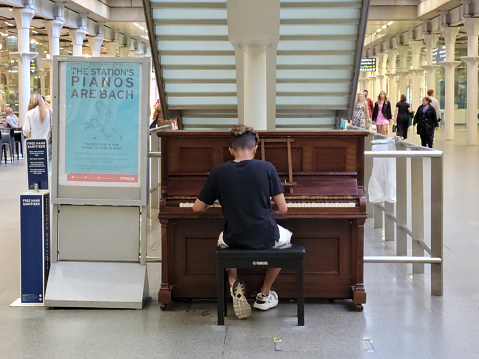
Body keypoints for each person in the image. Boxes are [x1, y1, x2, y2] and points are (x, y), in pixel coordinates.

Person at [192, 125, 290, 320]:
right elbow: (283, 208)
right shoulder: (267, 167)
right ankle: (264, 293)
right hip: (265, 234)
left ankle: (233, 283)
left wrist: (223, 200)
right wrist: (263, 200)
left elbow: (197, 208)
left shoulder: (219, 172)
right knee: (285, 240)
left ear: (230, 150)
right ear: (255, 148)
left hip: (234, 236)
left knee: (223, 241)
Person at [23, 94, 52, 168]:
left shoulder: (29, 113)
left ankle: (38, 180)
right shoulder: (50, 112)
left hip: (34, 146)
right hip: (47, 144)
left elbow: (26, 131)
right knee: (48, 167)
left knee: (35, 169)